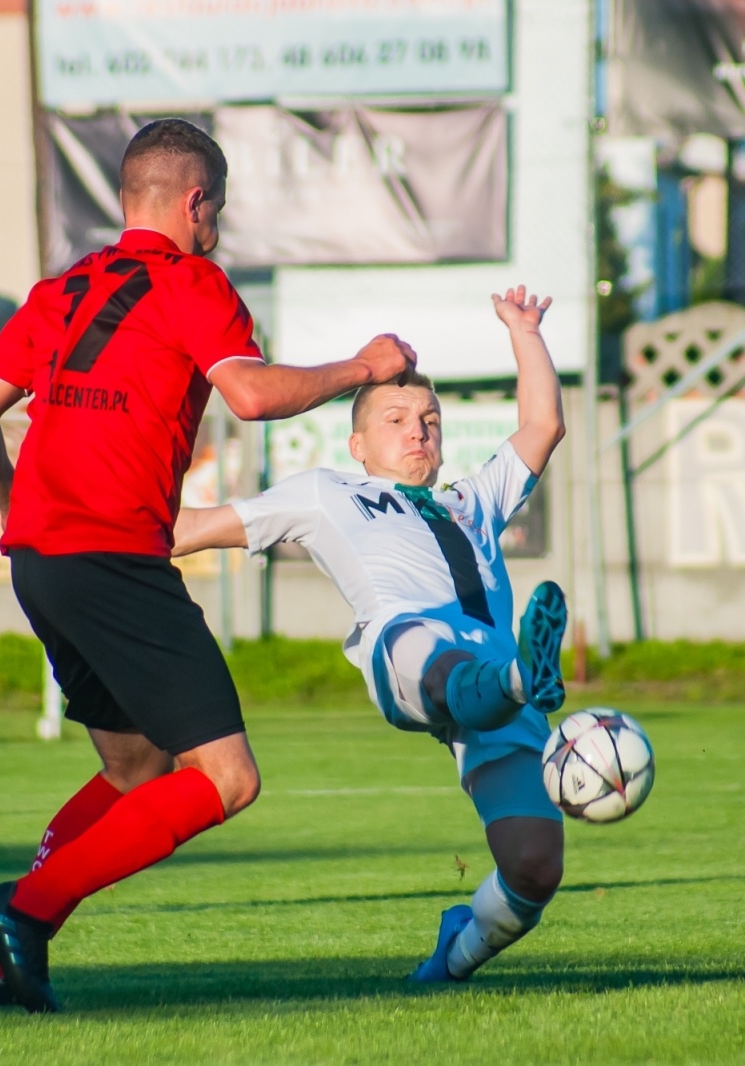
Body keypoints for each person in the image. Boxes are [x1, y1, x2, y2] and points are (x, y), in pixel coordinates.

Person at [0, 118, 415, 1013]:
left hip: (43, 563)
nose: (217, 230)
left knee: (136, 768)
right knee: (226, 778)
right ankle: (26, 910)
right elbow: (248, 393)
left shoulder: (60, 289)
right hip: (117, 559)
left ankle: (10, 968)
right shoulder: (192, 282)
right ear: (195, 203)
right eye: (218, 213)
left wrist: (20, 514)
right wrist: (364, 365)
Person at [172, 285, 568, 982]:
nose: (418, 431)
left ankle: (453, 955)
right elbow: (195, 528)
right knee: (431, 649)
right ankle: (518, 676)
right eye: (396, 419)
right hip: (405, 653)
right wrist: (82, 531)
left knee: (534, 869)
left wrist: (524, 330)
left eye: (431, 420)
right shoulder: (327, 493)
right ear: (358, 443)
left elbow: (542, 425)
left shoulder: (473, 501)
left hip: (500, 694)